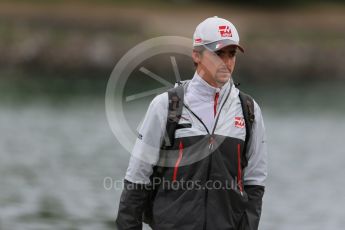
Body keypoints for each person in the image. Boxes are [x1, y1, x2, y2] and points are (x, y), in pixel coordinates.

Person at [116, 16, 268, 230]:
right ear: (196, 55)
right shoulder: (166, 106)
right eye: (218, 53)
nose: (226, 62)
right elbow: (137, 176)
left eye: (231, 54)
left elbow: (255, 181)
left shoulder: (249, 110)